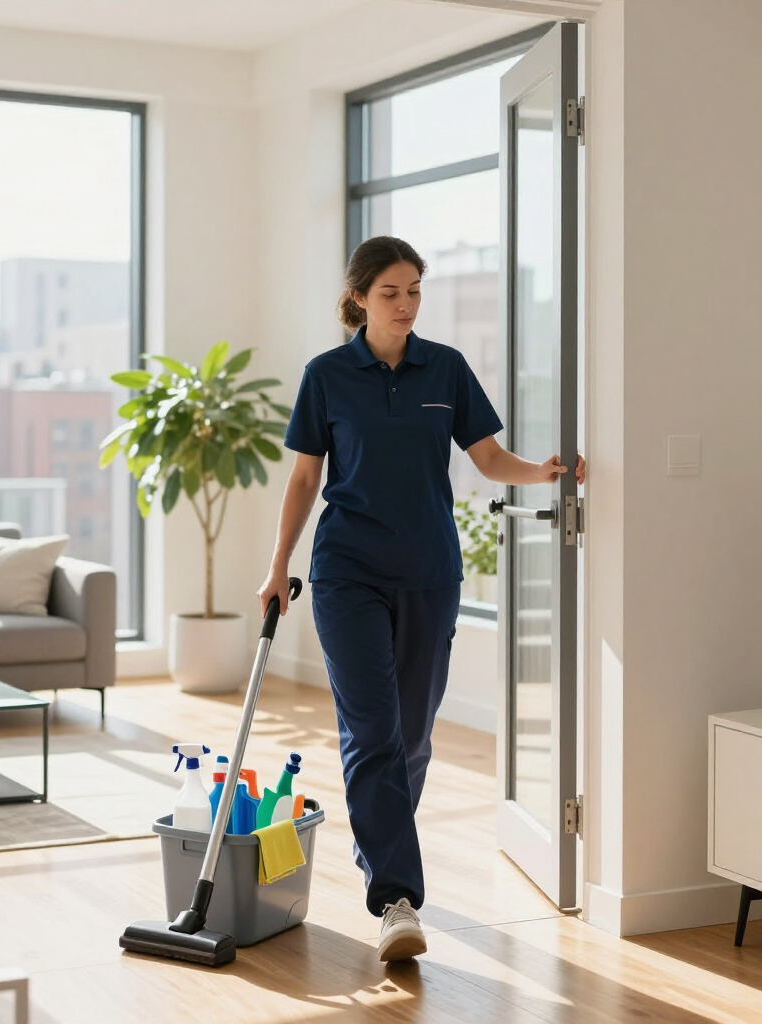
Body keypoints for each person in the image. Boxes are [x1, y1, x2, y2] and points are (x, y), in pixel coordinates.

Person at [257, 235, 585, 963]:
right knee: (372, 731)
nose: (404, 305)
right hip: (347, 572)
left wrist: (545, 473)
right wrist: (278, 565)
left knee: (410, 736)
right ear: (358, 299)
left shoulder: (447, 367)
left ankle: (380, 855)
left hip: (430, 571)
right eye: (389, 294)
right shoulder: (327, 376)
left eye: (413, 292)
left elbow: (487, 457)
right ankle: (397, 900)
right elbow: (306, 479)